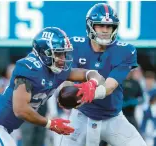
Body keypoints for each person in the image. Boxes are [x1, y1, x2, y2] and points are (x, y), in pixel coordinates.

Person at [0, 27, 103, 146]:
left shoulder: (57, 71)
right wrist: (50, 124)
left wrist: (93, 83)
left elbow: (91, 74)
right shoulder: (30, 69)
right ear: (44, 52)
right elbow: (20, 110)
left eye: (64, 53)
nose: (63, 59)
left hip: (5, 128)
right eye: (58, 53)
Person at [60, 3, 147, 146]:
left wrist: (90, 92)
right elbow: (68, 77)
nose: (105, 30)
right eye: (100, 25)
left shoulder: (125, 51)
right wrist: (68, 94)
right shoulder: (76, 46)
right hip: (82, 115)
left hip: (113, 118)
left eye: (109, 26)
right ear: (91, 26)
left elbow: (110, 85)